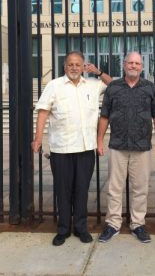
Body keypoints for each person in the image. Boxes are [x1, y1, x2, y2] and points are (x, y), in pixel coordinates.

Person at [31, 51, 112, 246]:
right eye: (70, 64)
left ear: (83, 66)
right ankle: (63, 229)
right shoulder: (54, 86)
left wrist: (98, 72)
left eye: (78, 64)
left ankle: (81, 228)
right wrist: (37, 138)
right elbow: (43, 112)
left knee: (82, 190)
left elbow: (115, 85)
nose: (74, 67)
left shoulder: (93, 85)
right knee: (63, 190)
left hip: (85, 148)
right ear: (64, 66)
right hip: (61, 149)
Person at [97, 52, 155, 243]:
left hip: (142, 146)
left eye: (137, 63)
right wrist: (99, 141)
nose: (133, 65)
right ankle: (113, 224)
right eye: (130, 62)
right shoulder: (113, 87)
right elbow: (104, 116)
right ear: (124, 65)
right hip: (118, 145)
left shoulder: (150, 88)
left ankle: (137, 224)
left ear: (142, 67)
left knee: (140, 188)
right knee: (114, 187)